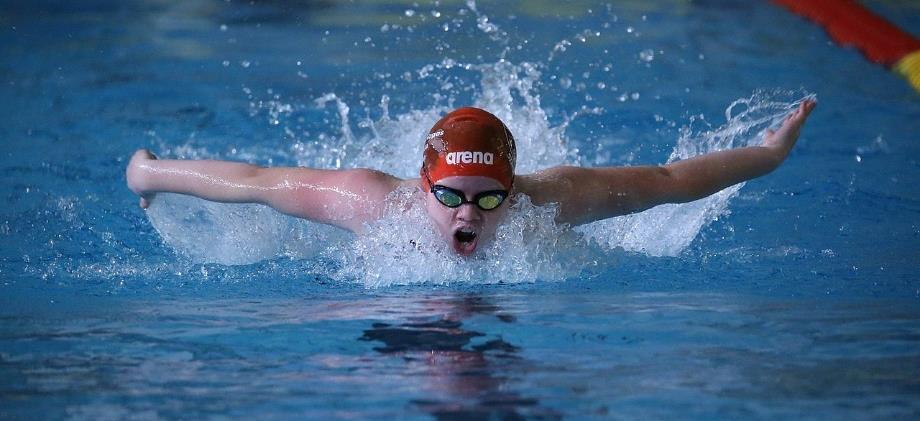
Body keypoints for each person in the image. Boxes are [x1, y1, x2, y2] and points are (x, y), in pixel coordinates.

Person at [127, 100, 816, 256]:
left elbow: (667, 179)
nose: (471, 215)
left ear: (513, 191)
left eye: (490, 197)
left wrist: (770, 155)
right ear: (422, 186)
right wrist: (151, 171)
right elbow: (253, 179)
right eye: (452, 197)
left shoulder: (549, 201)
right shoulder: (370, 203)